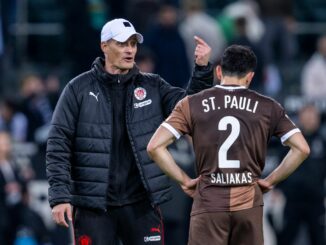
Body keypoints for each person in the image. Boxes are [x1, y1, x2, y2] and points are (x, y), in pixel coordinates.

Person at [46, 18, 214, 245]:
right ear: (104, 46)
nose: (130, 50)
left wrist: (202, 70)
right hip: (93, 207)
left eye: (133, 44)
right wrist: (59, 197)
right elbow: (58, 143)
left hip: (141, 203)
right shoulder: (78, 89)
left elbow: (188, 108)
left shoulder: (153, 86)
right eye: (123, 44)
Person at [147, 45, 310, 245]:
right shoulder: (269, 107)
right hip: (248, 202)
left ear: (218, 71)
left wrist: (183, 179)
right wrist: (271, 180)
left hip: (209, 201)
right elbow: (302, 148)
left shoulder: (191, 103)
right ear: (250, 76)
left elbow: (154, 146)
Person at [278, 104, 325, 245]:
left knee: (318, 238)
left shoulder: (322, 142)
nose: (310, 119)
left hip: (316, 200)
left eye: (313, 115)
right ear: (300, 117)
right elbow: (280, 167)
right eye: (307, 115)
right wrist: (279, 190)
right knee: (285, 237)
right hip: (292, 200)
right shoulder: (289, 141)